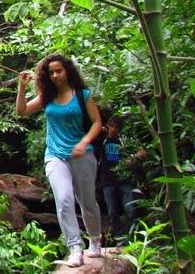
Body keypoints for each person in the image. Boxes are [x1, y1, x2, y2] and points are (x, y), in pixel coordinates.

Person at [15, 54, 102, 267]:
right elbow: (22, 111)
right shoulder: (46, 97)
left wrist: (84, 142)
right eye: (51, 72)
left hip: (81, 154)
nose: (55, 75)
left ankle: (95, 240)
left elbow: (97, 122)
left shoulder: (82, 95)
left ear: (67, 71)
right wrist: (22, 88)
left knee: (87, 202)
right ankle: (75, 247)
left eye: (59, 71)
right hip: (54, 155)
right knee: (63, 200)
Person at [98, 114, 146, 244]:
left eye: (116, 127)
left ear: (120, 129)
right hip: (107, 181)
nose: (113, 129)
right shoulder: (101, 141)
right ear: (108, 126)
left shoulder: (124, 141)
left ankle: (130, 238)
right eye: (111, 126)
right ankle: (120, 238)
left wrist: (132, 158)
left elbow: (142, 152)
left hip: (124, 181)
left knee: (130, 210)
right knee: (113, 212)